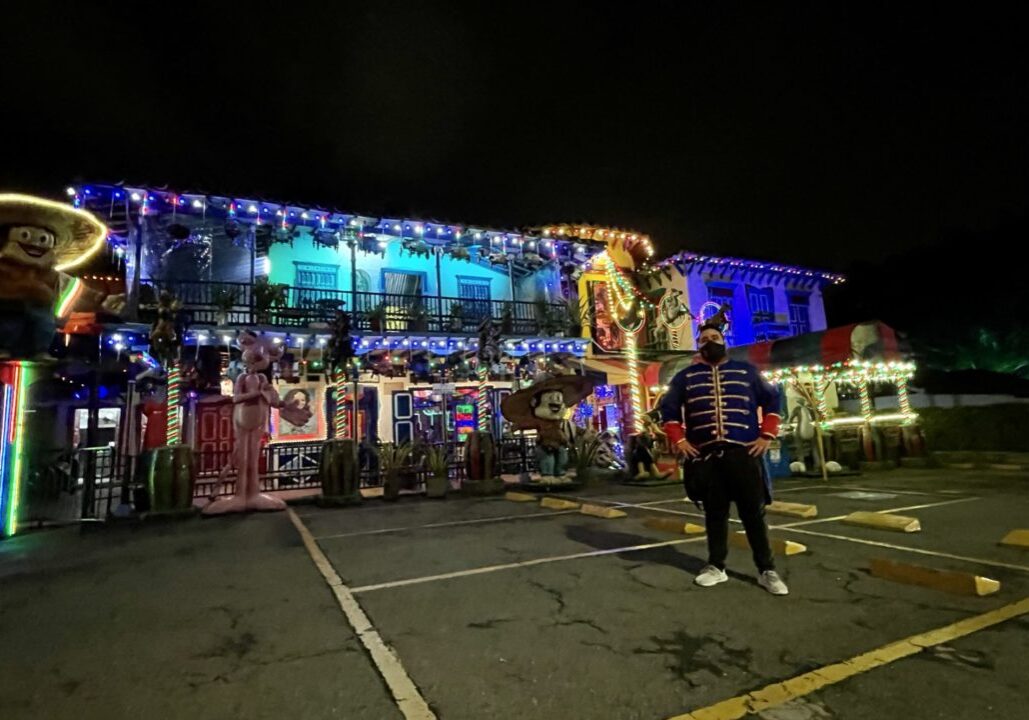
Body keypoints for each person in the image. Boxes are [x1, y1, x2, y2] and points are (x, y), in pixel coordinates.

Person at [659, 318, 788, 596]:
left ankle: (767, 570)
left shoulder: (747, 371)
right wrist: (679, 440)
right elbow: (668, 410)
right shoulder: (685, 377)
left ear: (723, 340)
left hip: (743, 454)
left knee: (753, 514)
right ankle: (716, 567)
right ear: (698, 345)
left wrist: (766, 435)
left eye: (714, 337)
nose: (710, 342)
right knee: (715, 514)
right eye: (704, 339)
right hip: (707, 459)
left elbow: (772, 400)